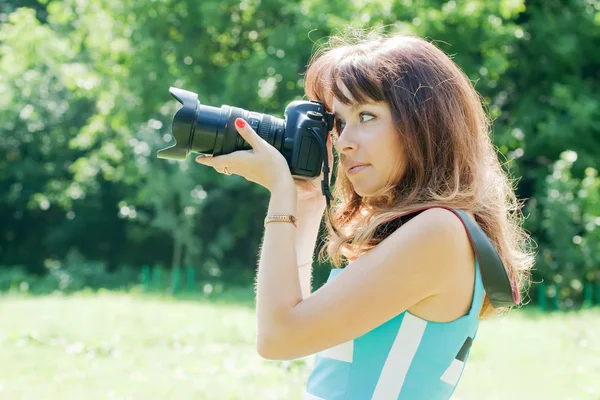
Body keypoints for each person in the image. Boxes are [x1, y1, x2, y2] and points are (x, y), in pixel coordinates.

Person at [195, 29, 534, 400]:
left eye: (367, 116)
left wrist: (279, 193)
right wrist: (303, 202)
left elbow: (278, 338)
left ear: (425, 124)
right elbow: (294, 319)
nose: (343, 141)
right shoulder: (434, 229)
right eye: (340, 122)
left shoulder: (438, 232)